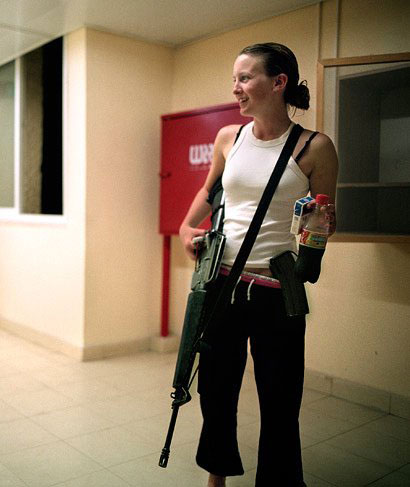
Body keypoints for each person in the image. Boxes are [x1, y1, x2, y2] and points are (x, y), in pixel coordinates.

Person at [178, 43, 338, 486]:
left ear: (278, 82)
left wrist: (319, 226)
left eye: (245, 78)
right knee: (215, 390)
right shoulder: (229, 138)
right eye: (235, 78)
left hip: (276, 292)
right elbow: (210, 192)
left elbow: (325, 221)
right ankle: (216, 477)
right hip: (222, 285)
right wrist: (187, 228)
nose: (236, 87)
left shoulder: (314, 147)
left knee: (280, 400)